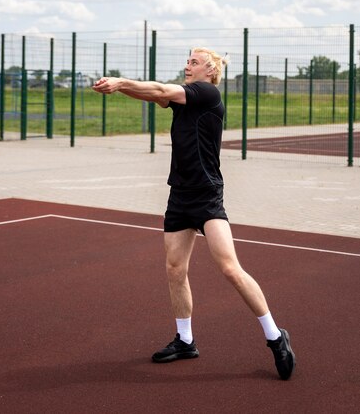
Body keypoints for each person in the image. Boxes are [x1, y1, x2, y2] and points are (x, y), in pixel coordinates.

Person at [93, 47, 295, 380]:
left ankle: (275, 336)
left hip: (206, 197)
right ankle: (185, 340)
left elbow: (159, 90)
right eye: (187, 61)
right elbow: (155, 96)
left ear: (210, 70)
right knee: (175, 268)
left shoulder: (206, 92)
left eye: (194, 62)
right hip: (180, 196)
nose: (187, 66)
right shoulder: (185, 96)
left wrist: (119, 81)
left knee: (229, 267)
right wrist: (119, 87)